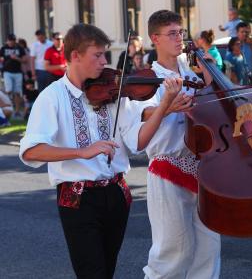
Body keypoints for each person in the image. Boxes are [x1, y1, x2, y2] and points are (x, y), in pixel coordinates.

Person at [19, 23, 184, 279]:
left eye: (104, 54)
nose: (104, 61)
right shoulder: (52, 97)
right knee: (92, 273)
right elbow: (31, 151)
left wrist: (164, 106)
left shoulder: (114, 91)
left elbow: (138, 142)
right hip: (77, 197)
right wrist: (81, 151)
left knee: (107, 270)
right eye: (97, 55)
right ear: (75, 56)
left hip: (117, 192)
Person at [131, 10, 220, 279]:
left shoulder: (193, 68)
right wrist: (167, 106)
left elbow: (217, 98)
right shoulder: (146, 78)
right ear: (154, 39)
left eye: (180, 32)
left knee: (209, 248)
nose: (179, 38)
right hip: (167, 166)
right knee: (173, 249)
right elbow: (145, 114)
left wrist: (209, 70)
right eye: (172, 34)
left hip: (202, 166)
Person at [0, 33, 26, 117]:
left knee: (17, 92)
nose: (11, 42)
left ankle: (17, 111)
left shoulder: (19, 48)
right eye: (10, 40)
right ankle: (8, 107)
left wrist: (16, 58)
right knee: (8, 90)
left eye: (13, 40)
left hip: (18, 72)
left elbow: (25, 60)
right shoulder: (3, 48)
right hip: (7, 71)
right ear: (7, 41)